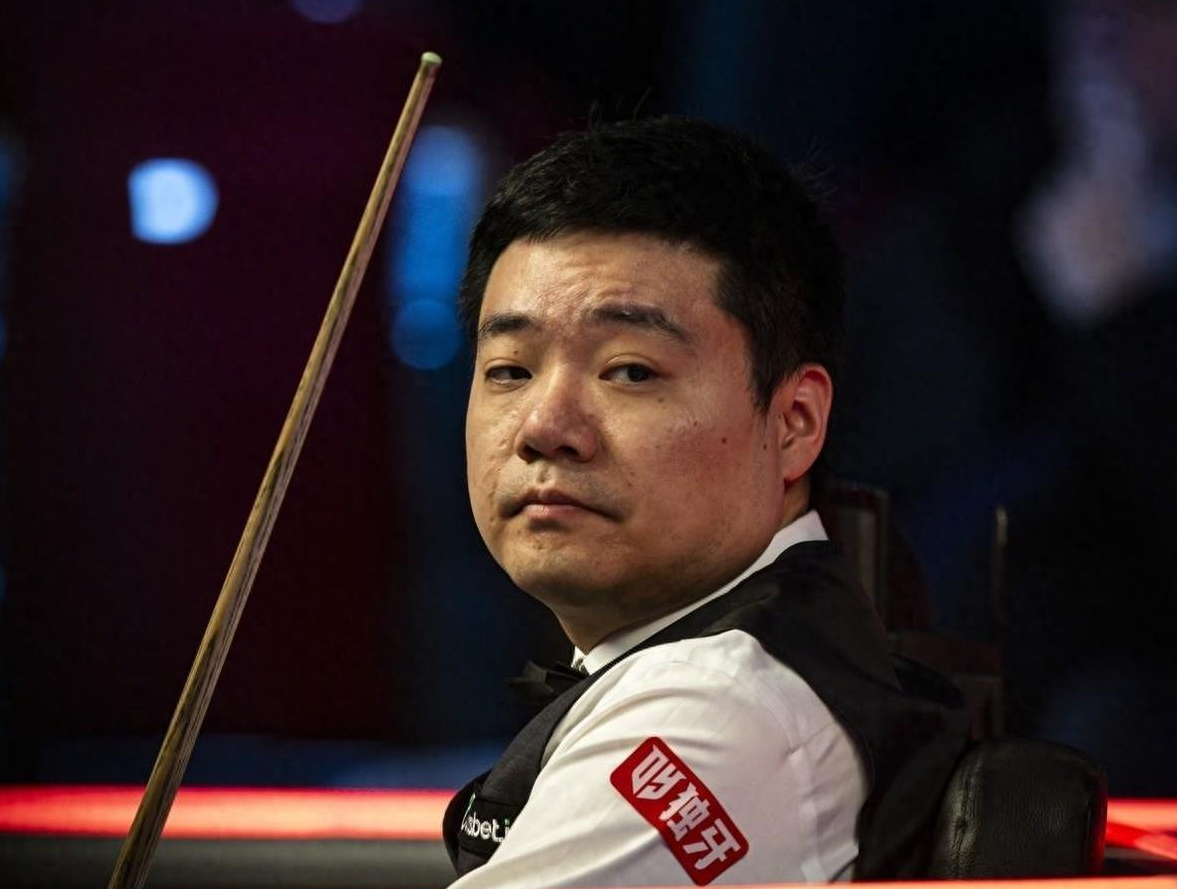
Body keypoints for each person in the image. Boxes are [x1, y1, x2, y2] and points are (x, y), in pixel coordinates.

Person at [443, 117, 966, 887]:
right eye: (509, 370)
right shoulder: (732, 666)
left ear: (793, 423)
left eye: (629, 371)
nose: (544, 427)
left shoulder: (714, 712)